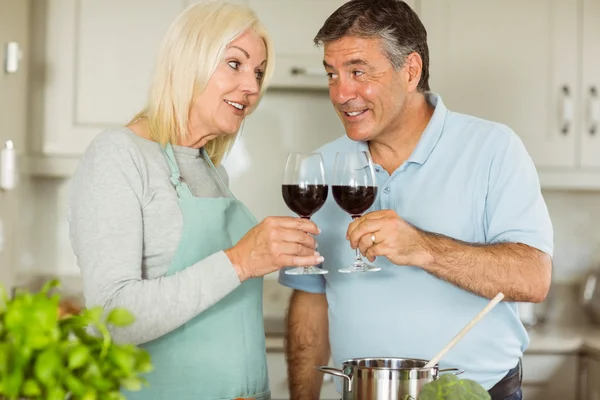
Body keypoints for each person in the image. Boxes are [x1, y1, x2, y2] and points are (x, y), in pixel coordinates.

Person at [278, 1, 553, 399]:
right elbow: (310, 301)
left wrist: (422, 247)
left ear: (410, 70)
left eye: (358, 71)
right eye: (332, 75)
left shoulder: (494, 148)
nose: (341, 93)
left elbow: (533, 278)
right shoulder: (324, 167)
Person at [67, 1, 324, 399]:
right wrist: (241, 260)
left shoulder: (210, 169)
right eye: (234, 64)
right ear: (189, 61)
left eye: (257, 73)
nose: (252, 87)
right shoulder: (119, 154)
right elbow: (110, 318)